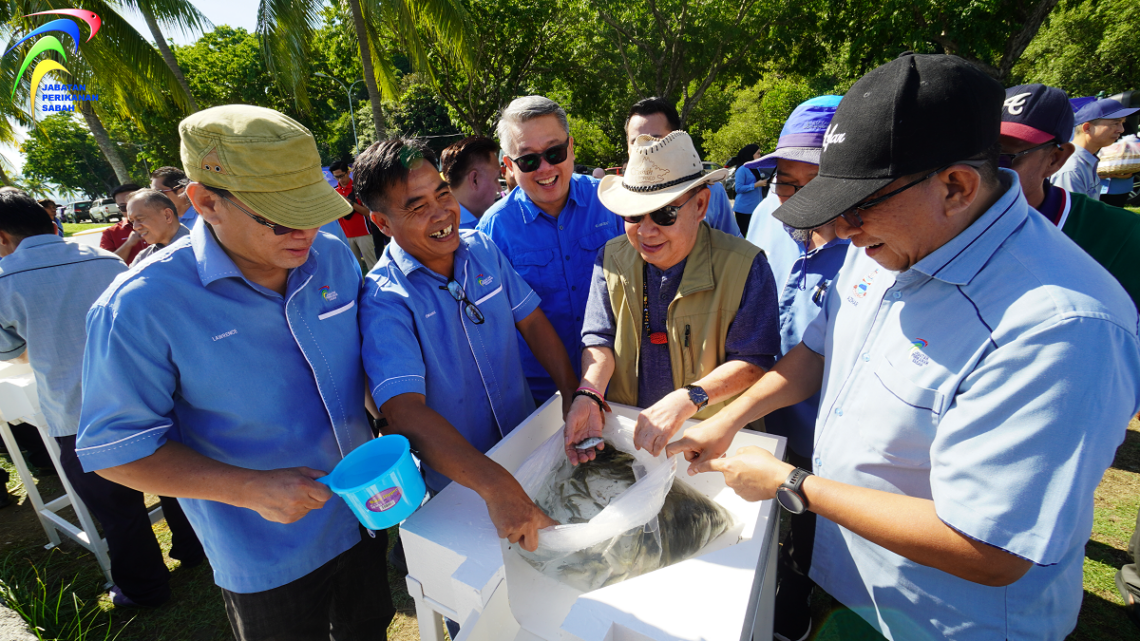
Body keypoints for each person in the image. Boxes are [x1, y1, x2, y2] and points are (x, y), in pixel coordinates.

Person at [669, 54, 1140, 640]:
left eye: (860, 206)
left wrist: (792, 485)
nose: (842, 231)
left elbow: (990, 549)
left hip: (947, 619)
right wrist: (728, 419)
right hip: (853, 577)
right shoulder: (891, 242)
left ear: (956, 187)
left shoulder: (1062, 327)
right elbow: (817, 350)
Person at [77, 105, 395, 640]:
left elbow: (356, 363)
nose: (305, 231)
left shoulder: (333, 256)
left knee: (369, 628)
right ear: (206, 202)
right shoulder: (141, 305)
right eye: (279, 216)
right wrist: (249, 489)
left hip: (363, 512)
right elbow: (116, 450)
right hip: (265, 550)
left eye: (313, 209)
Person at [355, 137, 575, 554]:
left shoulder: (482, 249)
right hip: (463, 487)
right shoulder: (385, 300)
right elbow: (404, 410)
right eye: (417, 207)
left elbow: (532, 321)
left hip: (530, 448)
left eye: (442, 194)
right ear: (382, 223)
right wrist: (494, 485)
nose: (441, 213)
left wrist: (572, 394)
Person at [0, 188, 204, 608]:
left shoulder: (5, 281)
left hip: (77, 413)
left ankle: (145, 588)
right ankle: (194, 549)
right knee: (177, 482)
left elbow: (12, 352)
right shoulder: (105, 259)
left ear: (3, 237)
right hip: (148, 395)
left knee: (116, 509)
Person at [563, 131, 779, 465]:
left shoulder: (747, 265)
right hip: (628, 436)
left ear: (701, 205)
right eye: (634, 215)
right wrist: (589, 392)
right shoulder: (610, 257)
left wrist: (690, 398)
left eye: (664, 214)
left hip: (709, 442)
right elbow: (599, 337)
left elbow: (754, 360)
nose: (646, 231)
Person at [738, 94, 848, 641]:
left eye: (816, 184)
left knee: (810, 524)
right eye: (785, 182)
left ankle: (796, 601)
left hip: (827, 432)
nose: (797, 201)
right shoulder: (763, 216)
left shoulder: (872, 246)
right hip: (759, 415)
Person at [477, 95, 623, 403]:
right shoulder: (493, 229)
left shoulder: (611, 202)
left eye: (554, 152)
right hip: (542, 396)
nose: (545, 168)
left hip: (620, 380)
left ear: (571, 148)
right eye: (528, 160)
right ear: (509, 166)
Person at [999, 83, 1140, 309]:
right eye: (974, 153)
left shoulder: (1123, 237)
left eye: (1003, 157)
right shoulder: (952, 225)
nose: (977, 169)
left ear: (1055, 159)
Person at [624, 97, 742, 237]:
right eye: (635, 142)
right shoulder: (615, 198)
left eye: (654, 141)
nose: (645, 149)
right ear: (627, 148)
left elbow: (732, 242)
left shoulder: (713, 191)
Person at [1050, 97, 1138, 200]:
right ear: (1087, 128)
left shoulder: (1084, 161)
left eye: (1122, 123)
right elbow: (1073, 210)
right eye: (1115, 123)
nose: (1121, 129)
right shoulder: (1072, 168)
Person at [440, 136, 502, 230]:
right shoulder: (448, 231)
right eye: (496, 179)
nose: (500, 188)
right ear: (474, 180)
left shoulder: (492, 220)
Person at [329, 159, 379, 270]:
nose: (340, 180)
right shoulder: (334, 192)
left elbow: (367, 212)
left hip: (364, 233)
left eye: (342, 176)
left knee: (373, 267)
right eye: (336, 177)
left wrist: (349, 203)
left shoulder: (359, 188)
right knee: (354, 269)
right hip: (345, 236)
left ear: (348, 172)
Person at [125, 189, 190, 267]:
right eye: (132, 221)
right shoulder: (143, 259)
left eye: (140, 219)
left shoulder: (199, 249)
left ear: (167, 216)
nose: (135, 227)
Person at [99, 184, 147, 264]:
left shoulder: (162, 223)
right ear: (119, 208)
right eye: (123, 207)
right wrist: (128, 244)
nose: (130, 209)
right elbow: (107, 264)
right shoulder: (110, 233)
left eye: (133, 204)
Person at [730, 144, 762, 234]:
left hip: (755, 207)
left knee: (755, 234)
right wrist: (755, 185)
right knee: (743, 234)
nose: (760, 156)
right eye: (758, 153)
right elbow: (738, 188)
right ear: (750, 154)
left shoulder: (756, 168)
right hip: (744, 209)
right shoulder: (742, 169)